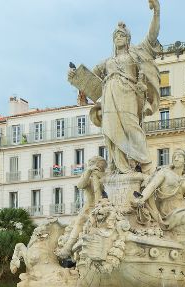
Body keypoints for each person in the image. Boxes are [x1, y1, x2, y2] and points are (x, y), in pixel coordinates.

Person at [68, 0, 161, 174]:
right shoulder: (107, 62)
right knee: (111, 132)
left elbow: (151, 37)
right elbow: (88, 79)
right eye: (116, 35)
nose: (119, 37)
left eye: (122, 35)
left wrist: (156, 11)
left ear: (128, 39)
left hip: (128, 94)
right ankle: (121, 168)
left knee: (132, 127)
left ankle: (146, 165)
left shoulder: (135, 54)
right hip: (109, 95)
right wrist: (75, 77)